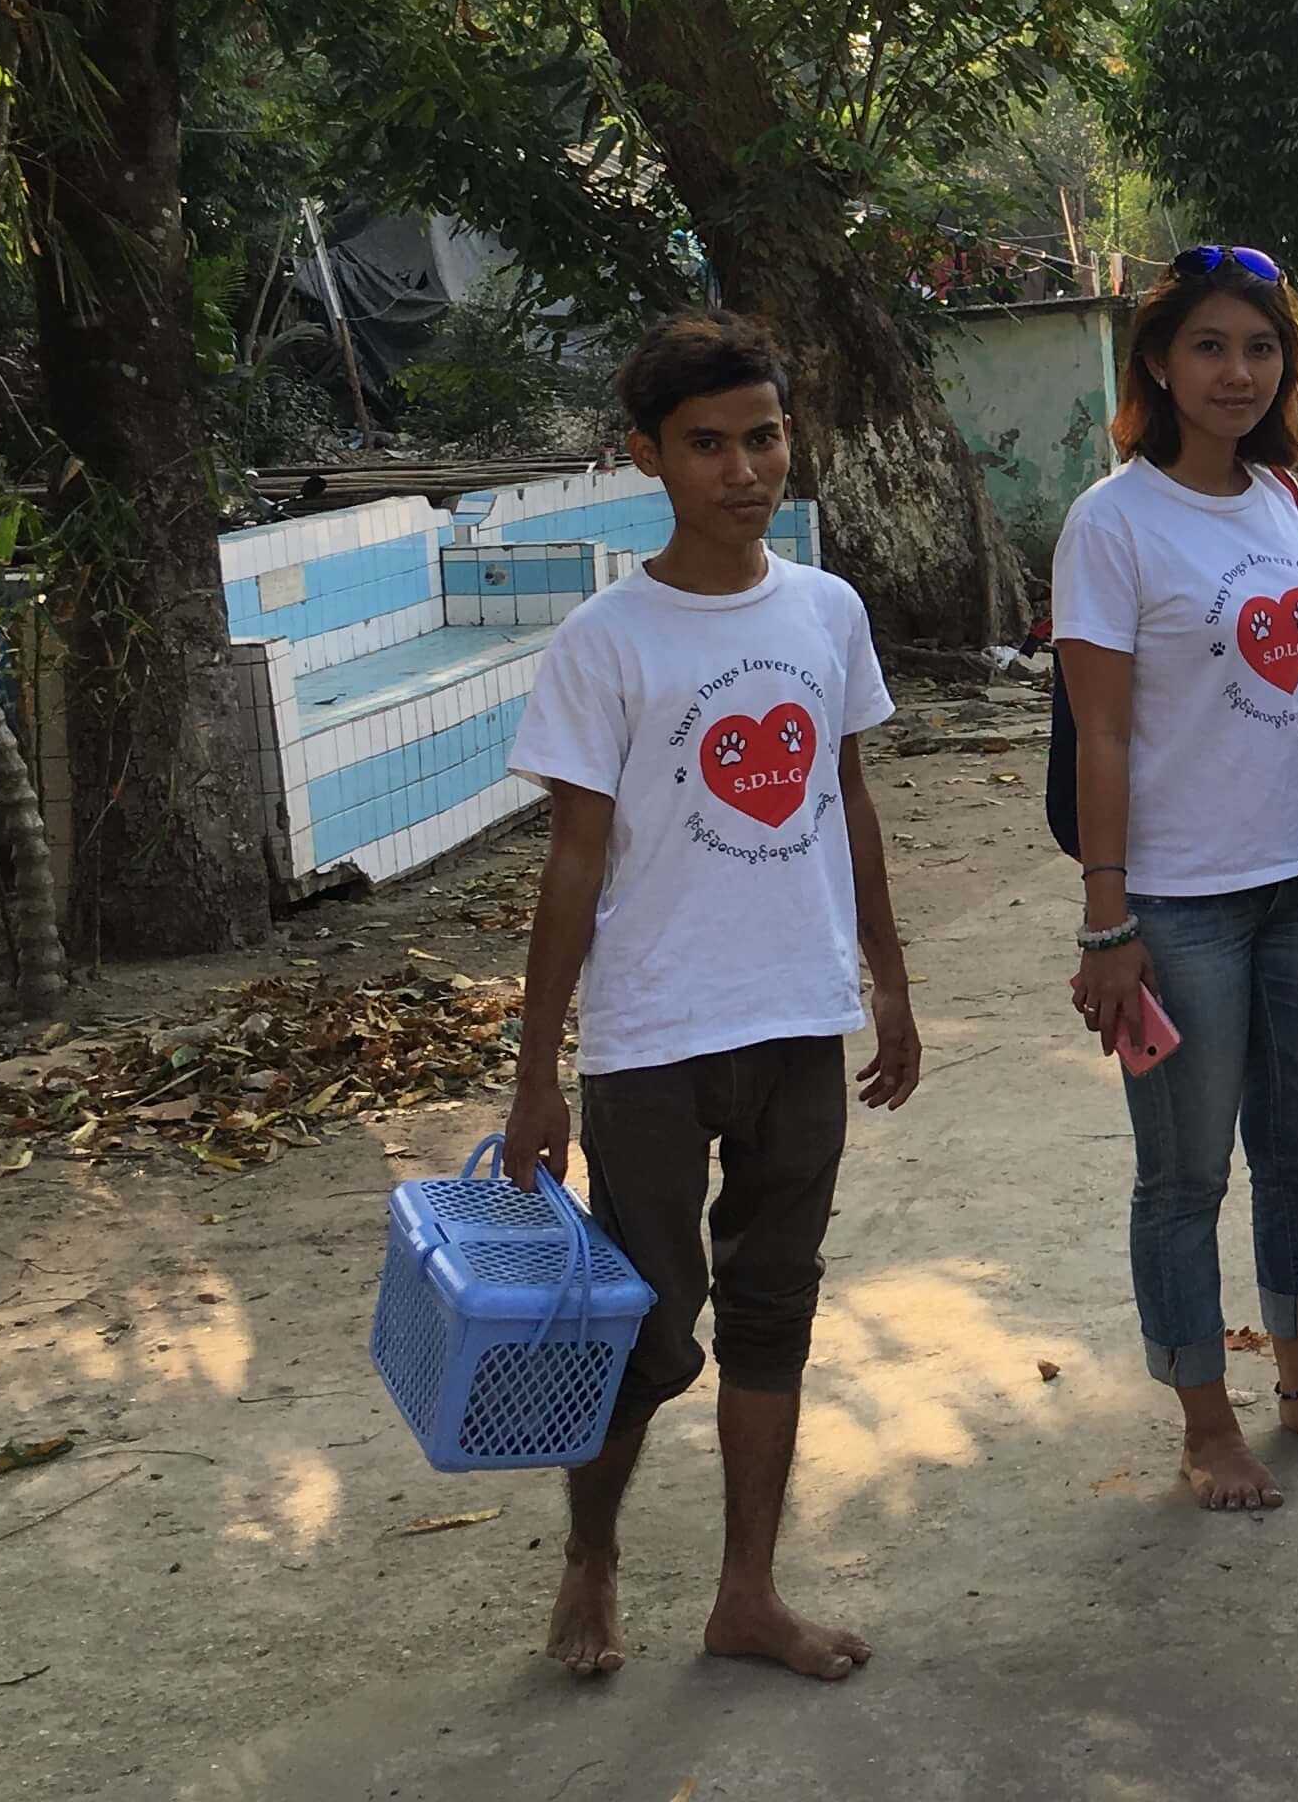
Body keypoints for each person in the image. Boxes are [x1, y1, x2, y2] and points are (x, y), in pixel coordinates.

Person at [501, 312, 926, 1683]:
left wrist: (889, 977)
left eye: (764, 436)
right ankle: (593, 1555)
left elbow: (846, 800)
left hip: (799, 1019)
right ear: (648, 457)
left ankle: (747, 1593)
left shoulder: (826, 610)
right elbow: (571, 864)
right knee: (634, 1321)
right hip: (653, 1038)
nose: (744, 469)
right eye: (707, 444)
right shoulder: (606, 641)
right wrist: (535, 1074)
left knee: (773, 1306)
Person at [1053, 248, 1298, 1513]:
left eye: (1260, 347)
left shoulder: (1282, 498)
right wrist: (1108, 921)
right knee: (1185, 1177)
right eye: (1209, 347)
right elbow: (1100, 732)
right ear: (1157, 363)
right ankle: (1206, 1417)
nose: (1237, 372)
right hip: (1177, 906)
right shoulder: (1112, 521)